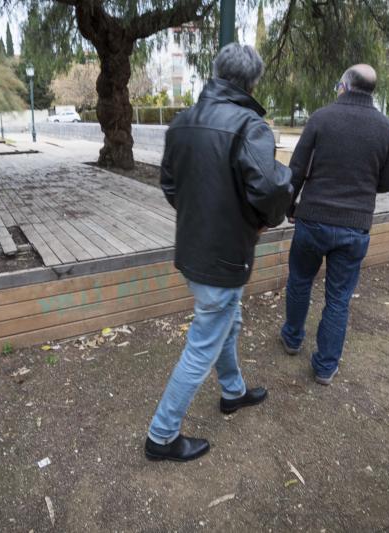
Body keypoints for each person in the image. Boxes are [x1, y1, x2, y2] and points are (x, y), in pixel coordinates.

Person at [145, 43, 293, 463]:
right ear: (251, 83)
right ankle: (161, 436)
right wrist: (261, 219)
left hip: (195, 251)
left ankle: (233, 391)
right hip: (225, 255)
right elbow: (270, 190)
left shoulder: (181, 122)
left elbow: (170, 186)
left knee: (228, 318)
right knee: (204, 342)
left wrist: (204, 217)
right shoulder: (250, 126)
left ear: (216, 73)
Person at [280, 64, 389, 385]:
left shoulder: (321, 118)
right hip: (354, 227)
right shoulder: (386, 128)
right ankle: (325, 367)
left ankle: (292, 339)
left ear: (345, 86)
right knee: (338, 298)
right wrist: (363, 186)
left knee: (299, 281)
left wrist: (289, 207)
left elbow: (296, 169)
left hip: (312, 221)